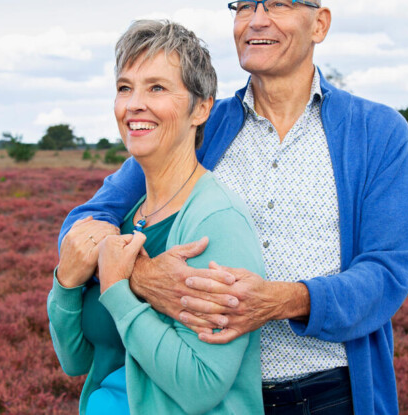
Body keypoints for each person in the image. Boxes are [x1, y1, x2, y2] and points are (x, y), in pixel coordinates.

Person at [58, 1, 408, 414]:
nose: (257, 19)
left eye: (279, 4)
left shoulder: (377, 133)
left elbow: (387, 272)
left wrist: (284, 300)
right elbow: (84, 221)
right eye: (245, 6)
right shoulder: (201, 121)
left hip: (331, 394)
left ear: (319, 23)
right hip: (210, 399)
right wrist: (142, 275)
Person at [48, 20, 266, 414]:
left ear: (201, 108)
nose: (134, 104)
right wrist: (65, 282)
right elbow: (75, 361)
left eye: (157, 88)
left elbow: (204, 385)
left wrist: (116, 286)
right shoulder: (129, 216)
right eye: (124, 87)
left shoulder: (216, 221)